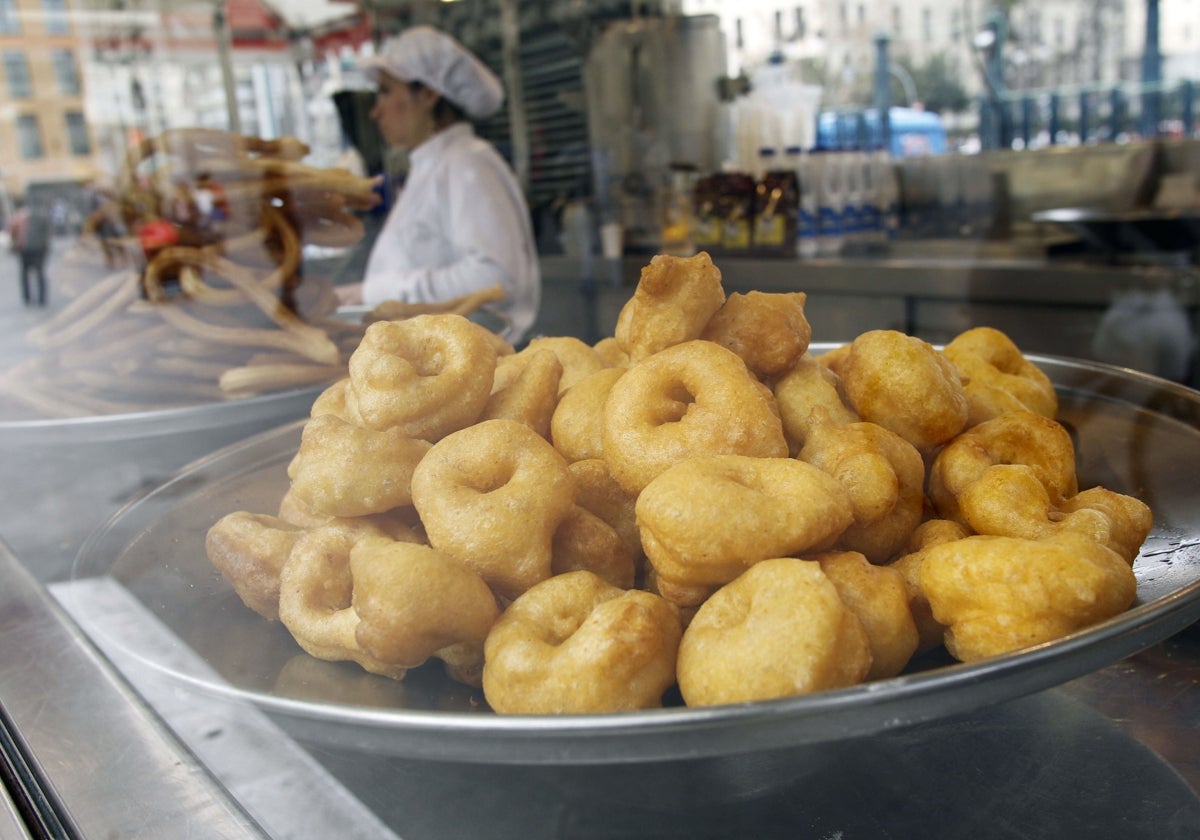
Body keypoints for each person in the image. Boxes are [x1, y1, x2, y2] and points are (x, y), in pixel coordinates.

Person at [338, 26, 541, 344]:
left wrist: (373, 292)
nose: (375, 111)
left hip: (475, 363)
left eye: (386, 92)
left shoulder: (466, 165)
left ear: (430, 94)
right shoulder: (433, 166)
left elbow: (496, 279)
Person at [8, 199, 51, 306]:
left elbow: (13, 231)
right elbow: (47, 231)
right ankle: (42, 298)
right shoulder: (41, 215)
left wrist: (14, 243)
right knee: (40, 273)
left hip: (24, 249)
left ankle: (27, 298)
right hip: (39, 249)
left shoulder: (18, 216)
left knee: (24, 274)